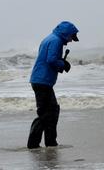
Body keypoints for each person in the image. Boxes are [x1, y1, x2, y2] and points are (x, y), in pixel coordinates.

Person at [27, 21, 79, 149]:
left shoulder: (50, 38)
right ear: (66, 33)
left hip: (41, 80)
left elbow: (48, 58)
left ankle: (50, 142)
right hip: (42, 81)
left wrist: (60, 62)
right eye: (71, 37)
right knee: (46, 113)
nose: (71, 40)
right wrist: (62, 64)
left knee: (52, 111)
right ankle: (34, 144)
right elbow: (51, 60)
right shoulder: (56, 41)